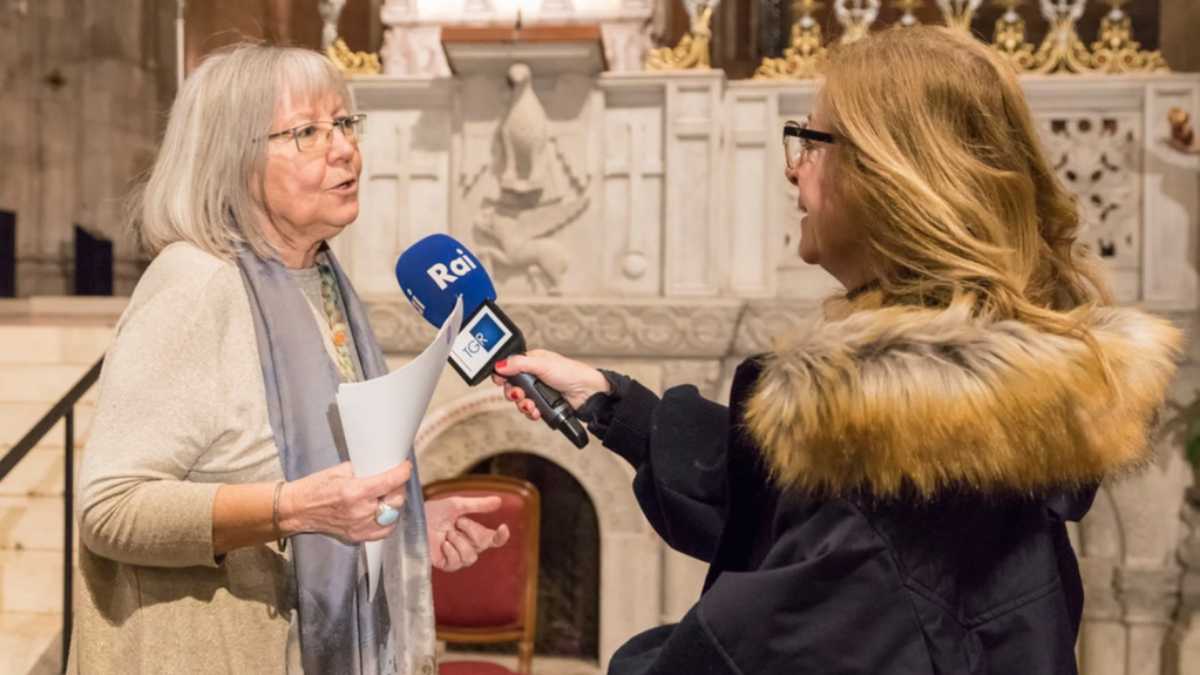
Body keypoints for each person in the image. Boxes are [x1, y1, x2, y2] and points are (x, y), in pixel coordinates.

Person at [493, 27, 1181, 674]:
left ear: (891, 178)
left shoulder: (903, 474)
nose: (794, 172)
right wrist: (615, 404)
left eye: (813, 142)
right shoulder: (959, 408)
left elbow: (741, 646)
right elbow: (779, 500)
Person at [70, 44, 509, 675]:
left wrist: (406, 518)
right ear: (233, 158)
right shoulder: (197, 285)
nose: (343, 149)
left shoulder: (322, 281)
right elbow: (109, 509)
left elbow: (321, 468)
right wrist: (293, 510)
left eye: (344, 124)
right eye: (306, 132)